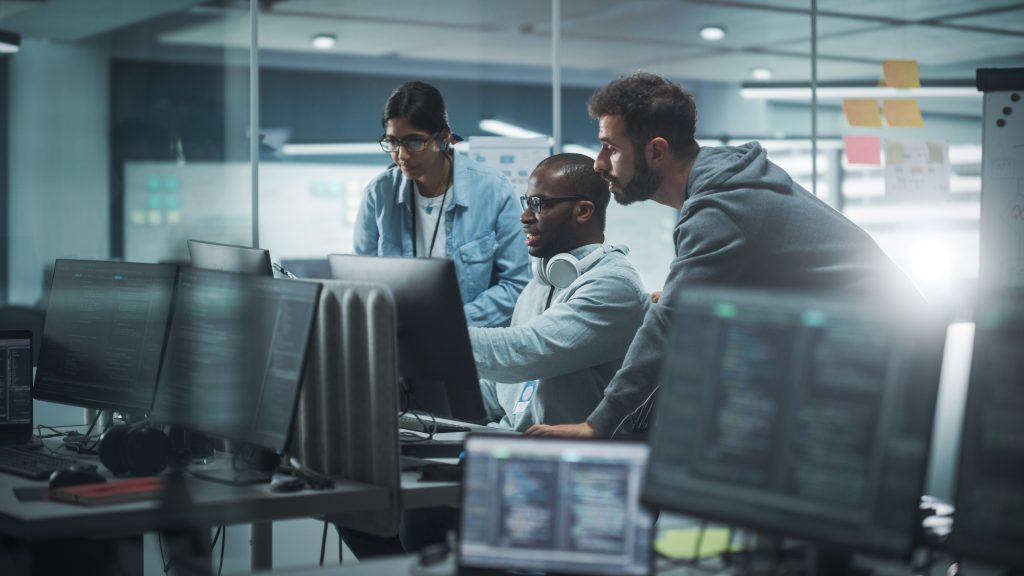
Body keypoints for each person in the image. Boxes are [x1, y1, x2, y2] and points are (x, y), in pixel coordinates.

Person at [527, 72, 922, 438]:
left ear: (656, 151)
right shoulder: (722, 181)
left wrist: (598, 424)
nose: (599, 164)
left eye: (611, 148)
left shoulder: (721, 207)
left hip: (890, 369)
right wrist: (693, 296)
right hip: (876, 356)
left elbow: (669, 326)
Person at [470, 153, 650, 431]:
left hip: (569, 453)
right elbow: (500, 390)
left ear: (583, 211)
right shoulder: (539, 284)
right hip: (512, 440)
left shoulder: (615, 286)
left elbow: (525, 351)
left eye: (539, 204)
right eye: (527, 203)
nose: (525, 217)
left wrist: (438, 340)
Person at [353, 81, 529, 327]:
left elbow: (516, 284)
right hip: (399, 337)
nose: (402, 155)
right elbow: (361, 282)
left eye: (414, 142)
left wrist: (450, 323)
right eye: (392, 142)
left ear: (443, 138)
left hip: (469, 340)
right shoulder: (378, 194)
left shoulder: (494, 191)